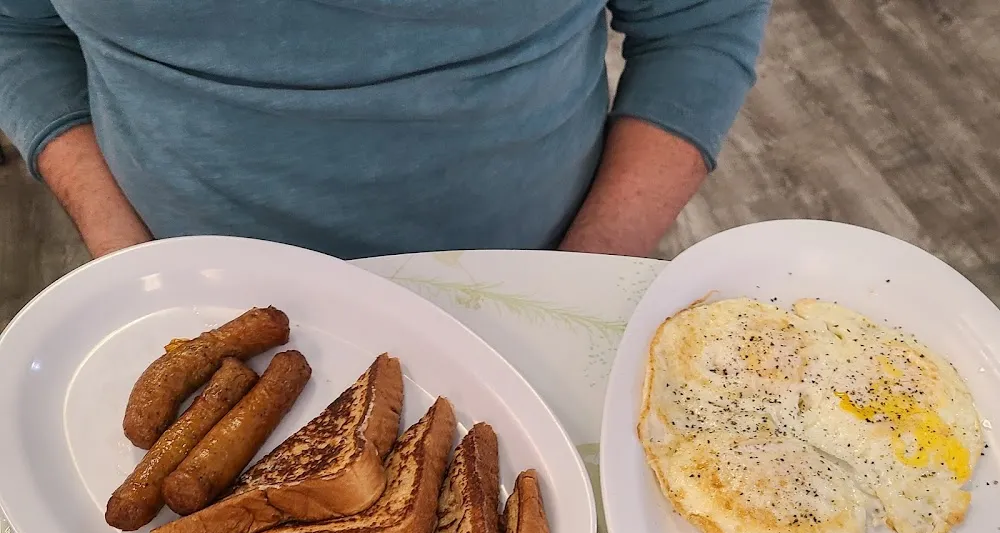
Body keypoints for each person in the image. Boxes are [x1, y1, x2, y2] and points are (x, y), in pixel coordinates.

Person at [0, 0, 769, 261]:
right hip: (177, 286)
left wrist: (585, 271)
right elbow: (17, 27)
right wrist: (121, 254)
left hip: (545, 268)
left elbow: (699, 27)